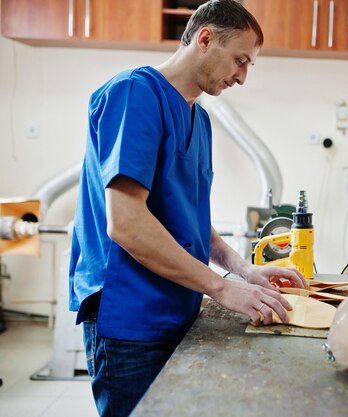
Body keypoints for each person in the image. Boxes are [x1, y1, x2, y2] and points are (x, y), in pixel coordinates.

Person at [68, 1, 305, 416]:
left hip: (177, 307)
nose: (243, 77)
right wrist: (222, 287)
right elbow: (125, 223)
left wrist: (244, 269)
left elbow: (193, 221)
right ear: (205, 38)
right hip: (131, 316)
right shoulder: (135, 94)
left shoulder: (200, 119)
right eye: (240, 60)